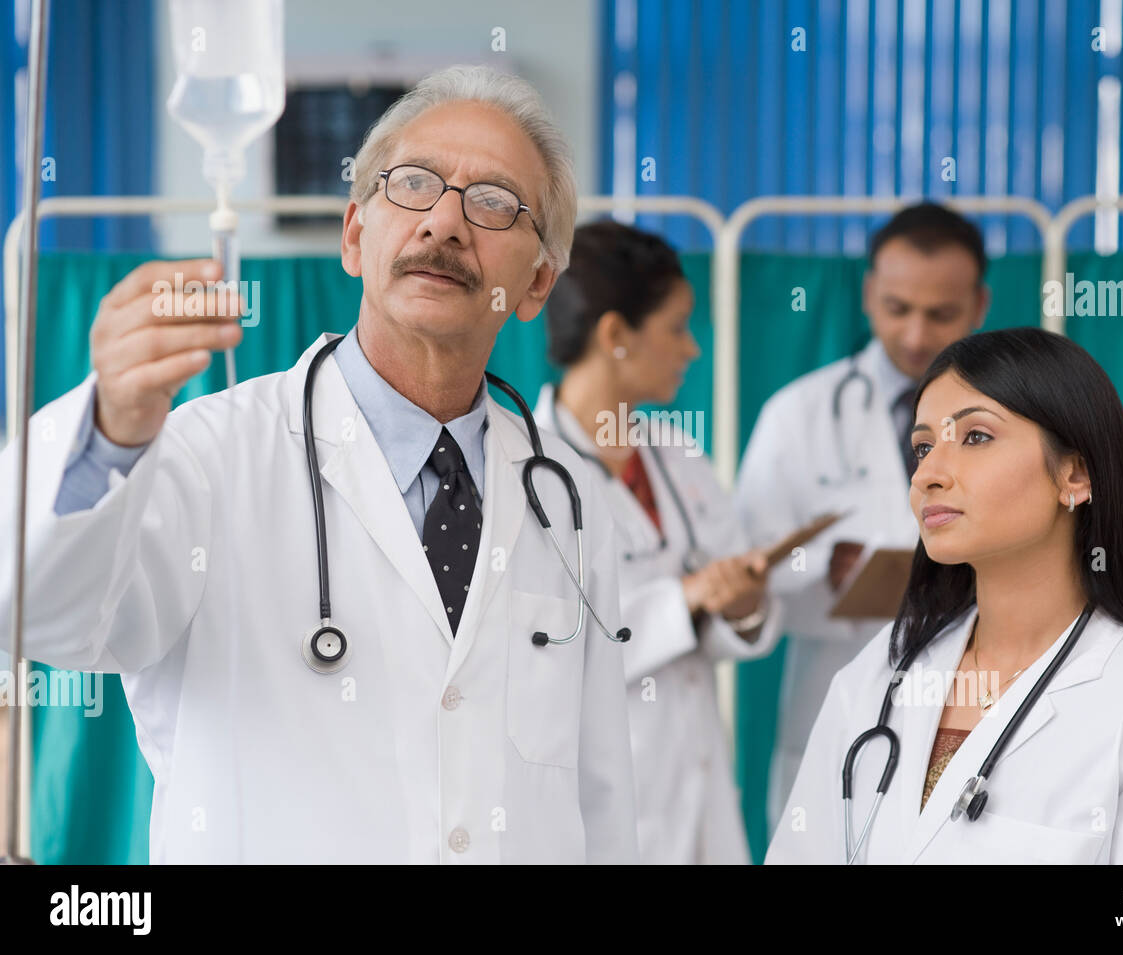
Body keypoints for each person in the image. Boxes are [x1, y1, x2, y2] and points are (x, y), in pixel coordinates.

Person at [0, 65, 639, 864]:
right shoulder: (207, 458)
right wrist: (110, 429)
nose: (443, 223)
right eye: (412, 184)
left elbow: (602, 799)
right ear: (353, 235)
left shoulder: (570, 504)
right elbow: (44, 612)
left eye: (493, 203)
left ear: (539, 282)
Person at [766, 327, 1123, 864]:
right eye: (923, 446)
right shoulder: (880, 672)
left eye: (975, 437)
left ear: (1076, 473)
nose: (928, 474)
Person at [735, 203, 989, 829]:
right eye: (898, 308)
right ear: (869, 294)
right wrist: (826, 569)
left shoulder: (1014, 419)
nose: (914, 336)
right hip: (837, 701)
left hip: (976, 698)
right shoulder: (798, 414)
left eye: (941, 314)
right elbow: (748, 579)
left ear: (980, 305)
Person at [533, 221, 782, 864]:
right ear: (616, 335)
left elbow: (747, 611)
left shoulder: (679, 458)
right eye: (676, 328)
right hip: (601, 804)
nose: (692, 350)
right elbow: (540, 646)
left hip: (699, 784)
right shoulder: (525, 473)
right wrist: (687, 598)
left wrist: (741, 604)